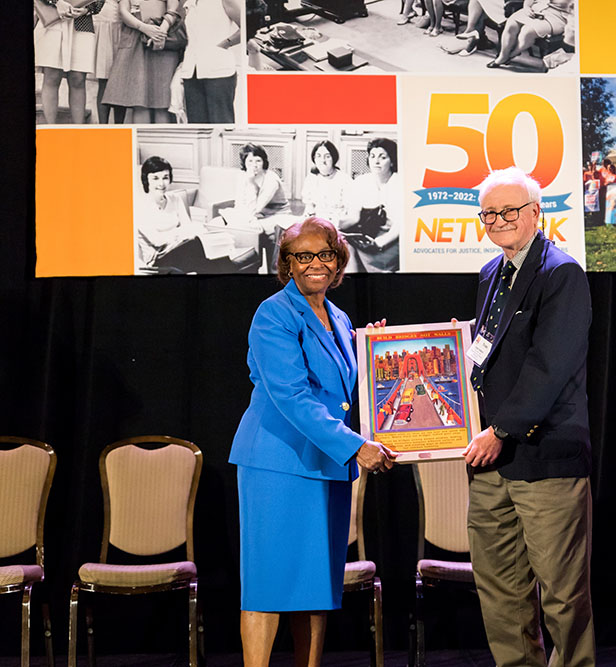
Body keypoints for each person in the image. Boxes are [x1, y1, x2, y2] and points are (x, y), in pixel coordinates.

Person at [229, 217, 397, 667]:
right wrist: (356, 446)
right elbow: (292, 396)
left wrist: (382, 348)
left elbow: (350, 383)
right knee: (268, 584)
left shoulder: (339, 318)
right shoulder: (273, 314)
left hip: (325, 465)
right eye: (302, 256)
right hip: (277, 465)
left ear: (338, 260)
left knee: (315, 586)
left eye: (324, 254)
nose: (314, 264)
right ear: (287, 264)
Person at [464, 167, 594, 667]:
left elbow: (549, 366)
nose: (498, 221)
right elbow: (486, 355)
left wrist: (500, 430)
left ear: (536, 213)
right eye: (489, 213)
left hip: (545, 459)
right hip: (492, 464)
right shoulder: (490, 274)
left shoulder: (561, 273)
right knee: (501, 594)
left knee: (562, 597)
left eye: (509, 211)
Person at [136, 155, 256, 272]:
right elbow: (157, 241)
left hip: (180, 250)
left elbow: (188, 227)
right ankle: (232, 273)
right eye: (155, 178)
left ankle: (228, 275)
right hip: (158, 260)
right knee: (197, 245)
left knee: (210, 257)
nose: (161, 183)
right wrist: (180, 234)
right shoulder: (140, 206)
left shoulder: (175, 199)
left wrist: (180, 234)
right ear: (146, 179)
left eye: (165, 177)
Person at [102, 0, 182, 124]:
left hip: (162, 40)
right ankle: (141, 141)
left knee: (161, 102)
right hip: (135, 40)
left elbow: (173, 8)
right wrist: (143, 27)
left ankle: (161, 141)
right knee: (139, 101)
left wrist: (161, 31)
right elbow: (124, 11)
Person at [35, 0, 105, 124]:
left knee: (78, 78)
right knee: (52, 75)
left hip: (82, 22)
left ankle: (79, 131)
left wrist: (87, 9)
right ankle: (51, 130)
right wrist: (57, 2)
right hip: (53, 19)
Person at [341, 138, 401, 273]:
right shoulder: (361, 181)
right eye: (372, 156)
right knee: (343, 245)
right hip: (366, 234)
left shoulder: (400, 183)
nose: (376, 161)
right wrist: (335, 224)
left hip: (391, 239)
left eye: (383, 157)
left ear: (392, 161)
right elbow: (354, 218)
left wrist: (380, 242)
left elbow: (399, 226)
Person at [180, 0, 240, 124]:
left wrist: (226, 43)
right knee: (196, 124)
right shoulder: (189, 3)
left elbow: (248, 26)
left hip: (219, 71)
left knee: (221, 122)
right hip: (192, 71)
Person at [487, 0, 574, 69]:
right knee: (511, 24)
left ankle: (511, 55)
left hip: (558, 17)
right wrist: (527, 7)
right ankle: (503, 55)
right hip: (537, 8)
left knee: (527, 32)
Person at [301, 140, 352, 225]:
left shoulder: (344, 180)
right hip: (315, 222)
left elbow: (349, 211)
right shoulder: (311, 178)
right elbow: (309, 206)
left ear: (334, 158)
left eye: (327, 156)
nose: (323, 160)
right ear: (314, 158)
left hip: (337, 223)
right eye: (318, 156)